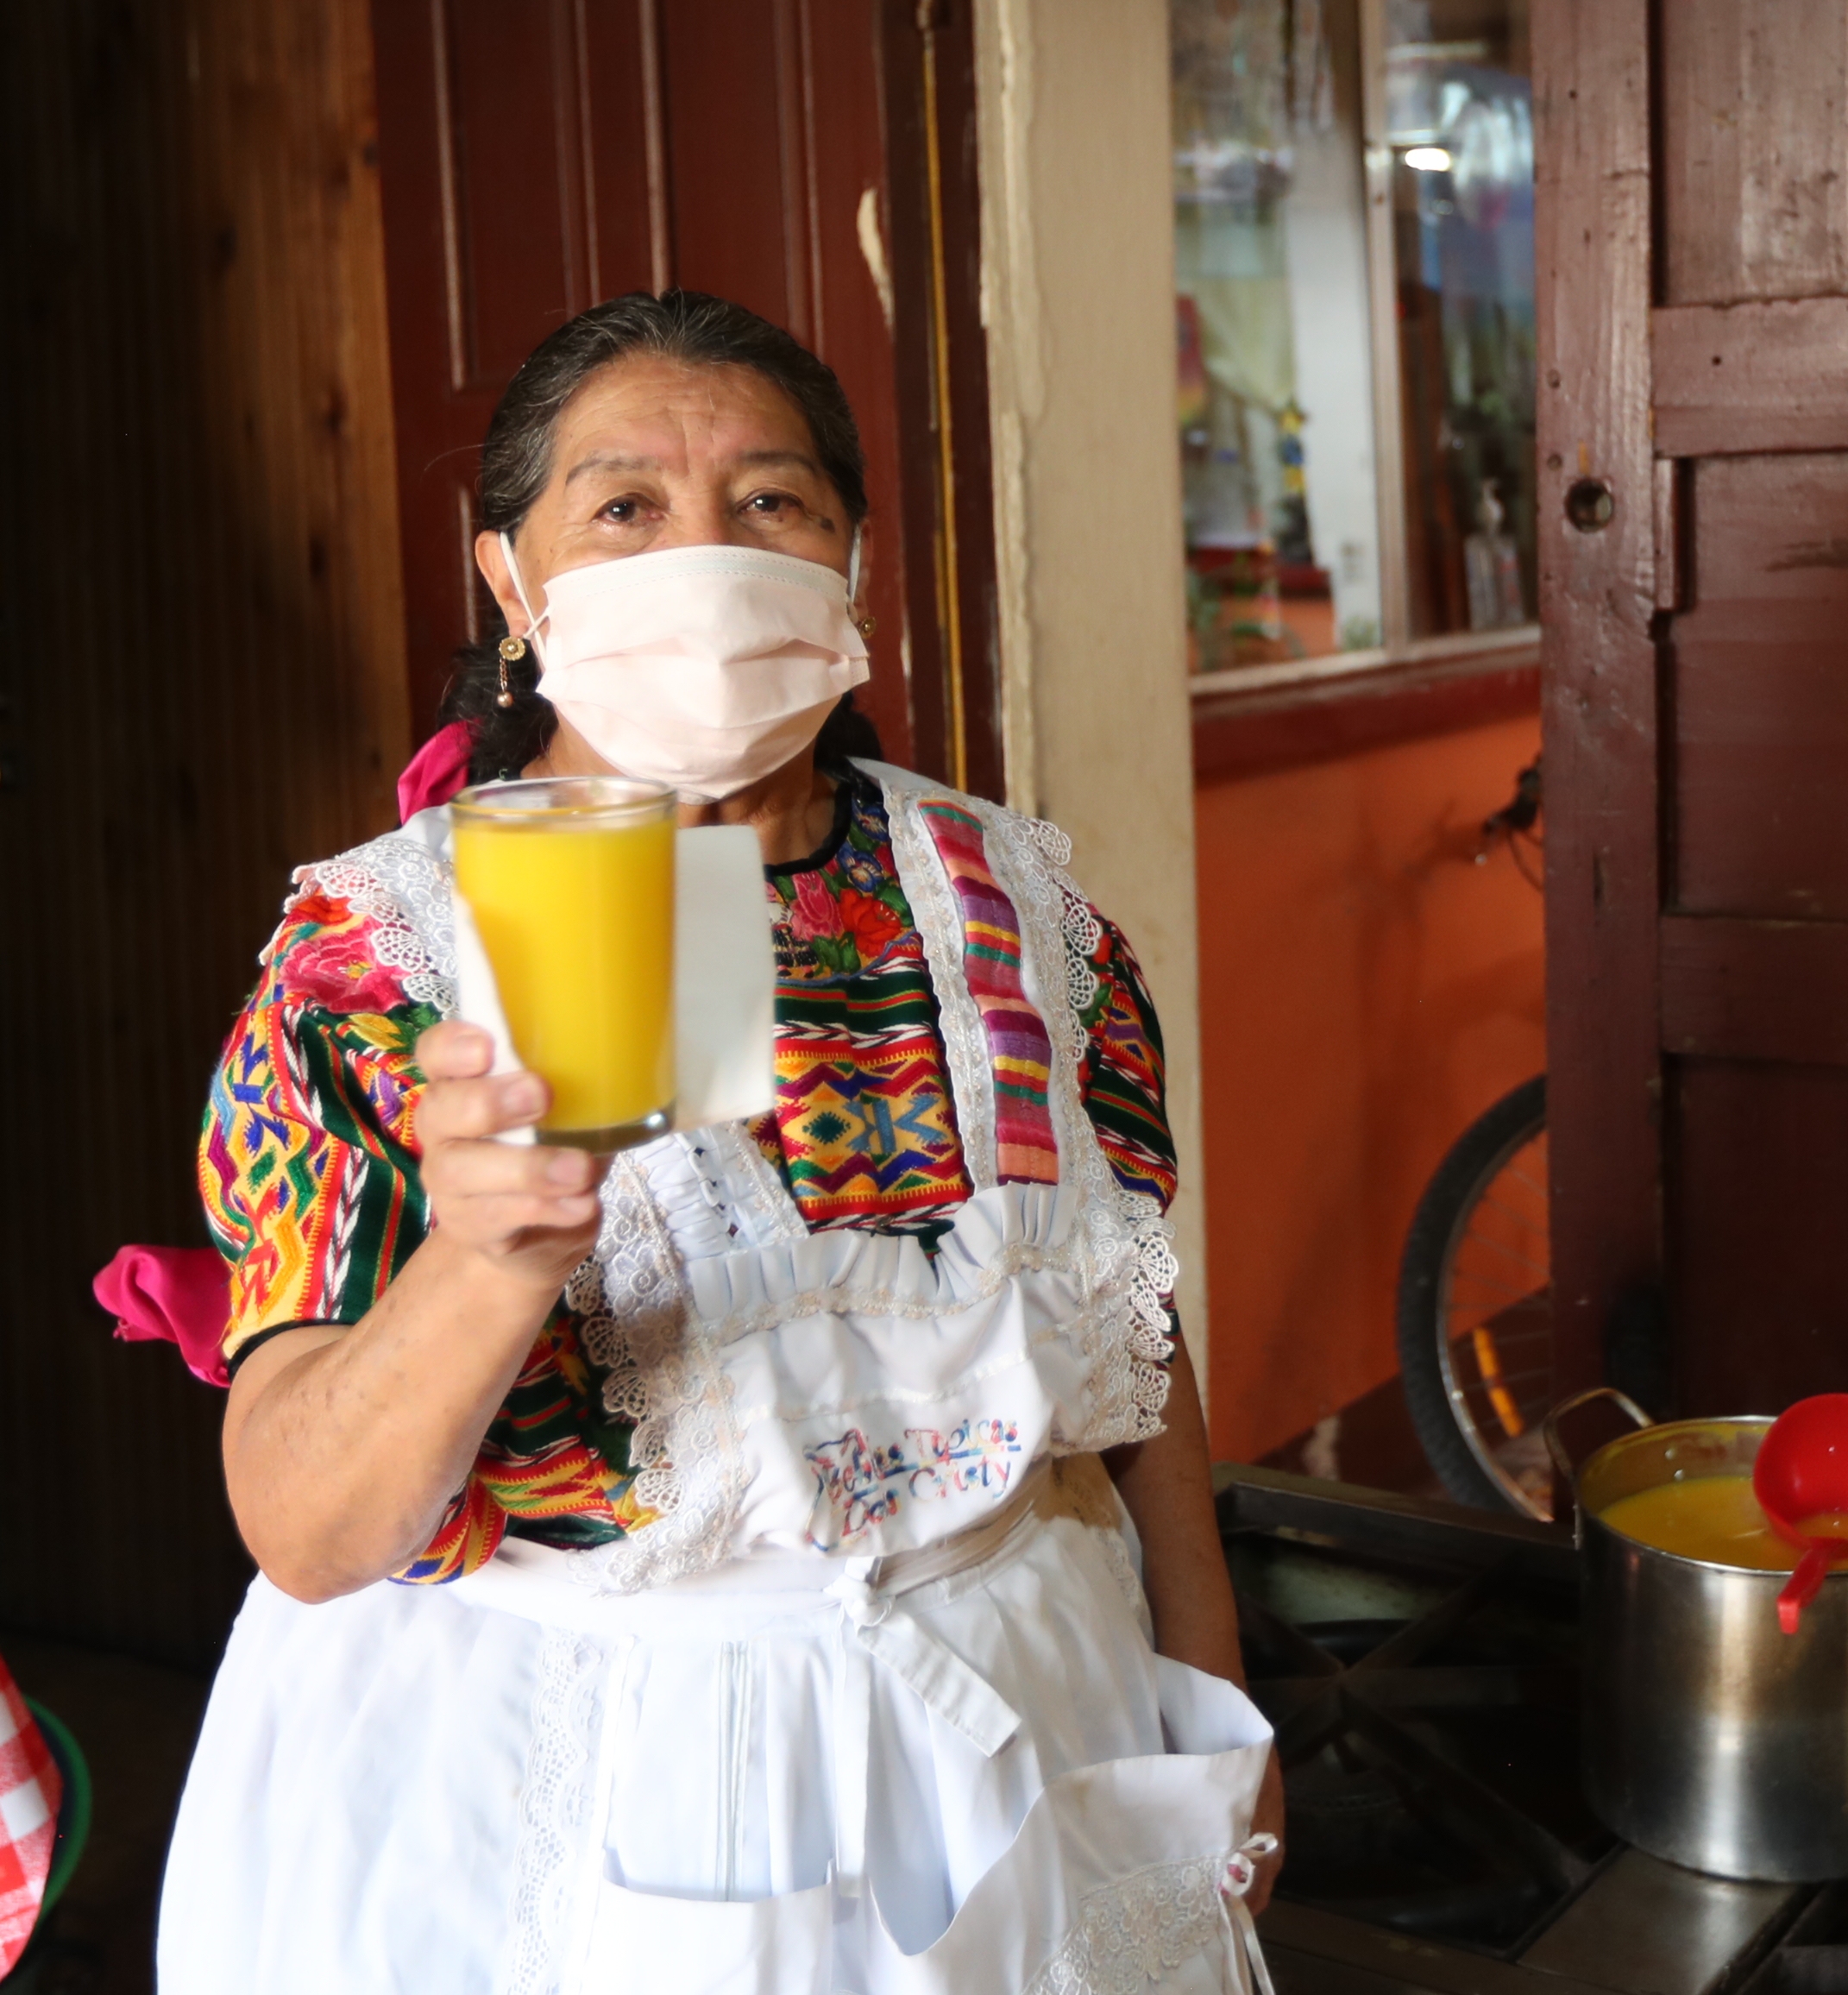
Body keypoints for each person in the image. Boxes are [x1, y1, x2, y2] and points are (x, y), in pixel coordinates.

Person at [161, 290, 1284, 1993]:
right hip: (575, 1766)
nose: (703, 555)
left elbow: (1132, 1329)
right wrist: (494, 1260)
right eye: (625, 506)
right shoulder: (382, 961)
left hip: (1030, 1711)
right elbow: (308, 1530)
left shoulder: (1020, 911)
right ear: (514, 586)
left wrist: (1211, 1697)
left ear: (851, 566)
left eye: (769, 501)